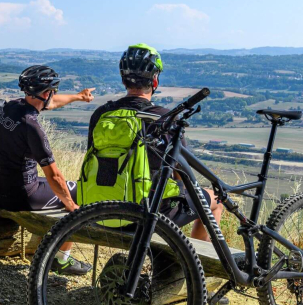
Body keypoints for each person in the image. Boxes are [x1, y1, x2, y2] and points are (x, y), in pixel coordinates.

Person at [88, 44, 224, 241]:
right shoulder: (163, 117)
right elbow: (182, 170)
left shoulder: (101, 114)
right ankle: (191, 263)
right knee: (216, 201)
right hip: (146, 213)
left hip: (100, 208)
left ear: (123, 80)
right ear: (155, 80)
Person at [0, 65, 94, 275]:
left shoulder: (12, 107)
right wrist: (71, 206)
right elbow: (54, 175)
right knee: (78, 193)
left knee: (60, 190)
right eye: (52, 91)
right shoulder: (32, 126)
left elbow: (51, 103)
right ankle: (61, 260)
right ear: (45, 93)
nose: (53, 96)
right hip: (21, 196)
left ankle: (44, 242)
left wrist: (79, 97)